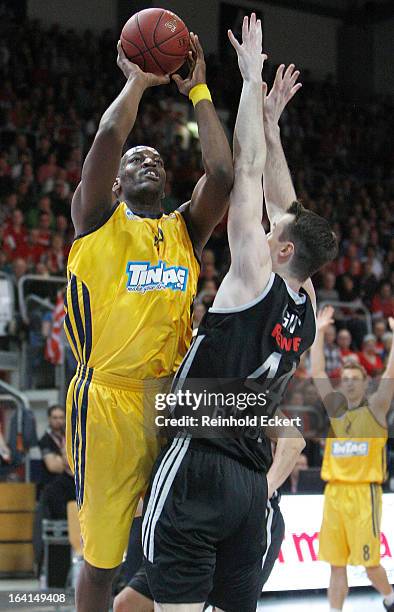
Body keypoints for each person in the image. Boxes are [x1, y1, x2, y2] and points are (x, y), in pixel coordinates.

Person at [142, 15, 337, 612]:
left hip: (199, 456)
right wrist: (276, 125)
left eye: (272, 230)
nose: (266, 222)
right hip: (251, 484)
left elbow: (246, 174)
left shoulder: (254, 275)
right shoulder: (304, 304)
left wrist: (250, 77)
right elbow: (289, 206)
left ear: (279, 248)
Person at [64, 34, 233, 612]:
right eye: (136, 159)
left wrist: (200, 91)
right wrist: (137, 82)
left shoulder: (185, 232)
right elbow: (111, 137)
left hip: (174, 401)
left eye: (157, 158)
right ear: (113, 183)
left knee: (176, 543)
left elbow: (223, 174)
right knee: (102, 559)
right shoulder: (96, 222)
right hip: (106, 402)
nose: (148, 158)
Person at [311, 306, 394, 612]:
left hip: (364, 493)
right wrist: (319, 334)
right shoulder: (336, 410)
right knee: (335, 565)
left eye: (354, 379)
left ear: (363, 383)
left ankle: (390, 599)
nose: (348, 383)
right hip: (334, 492)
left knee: (370, 565)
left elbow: (390, 374)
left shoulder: (375, 410)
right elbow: (318, 373)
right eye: (344, 378)